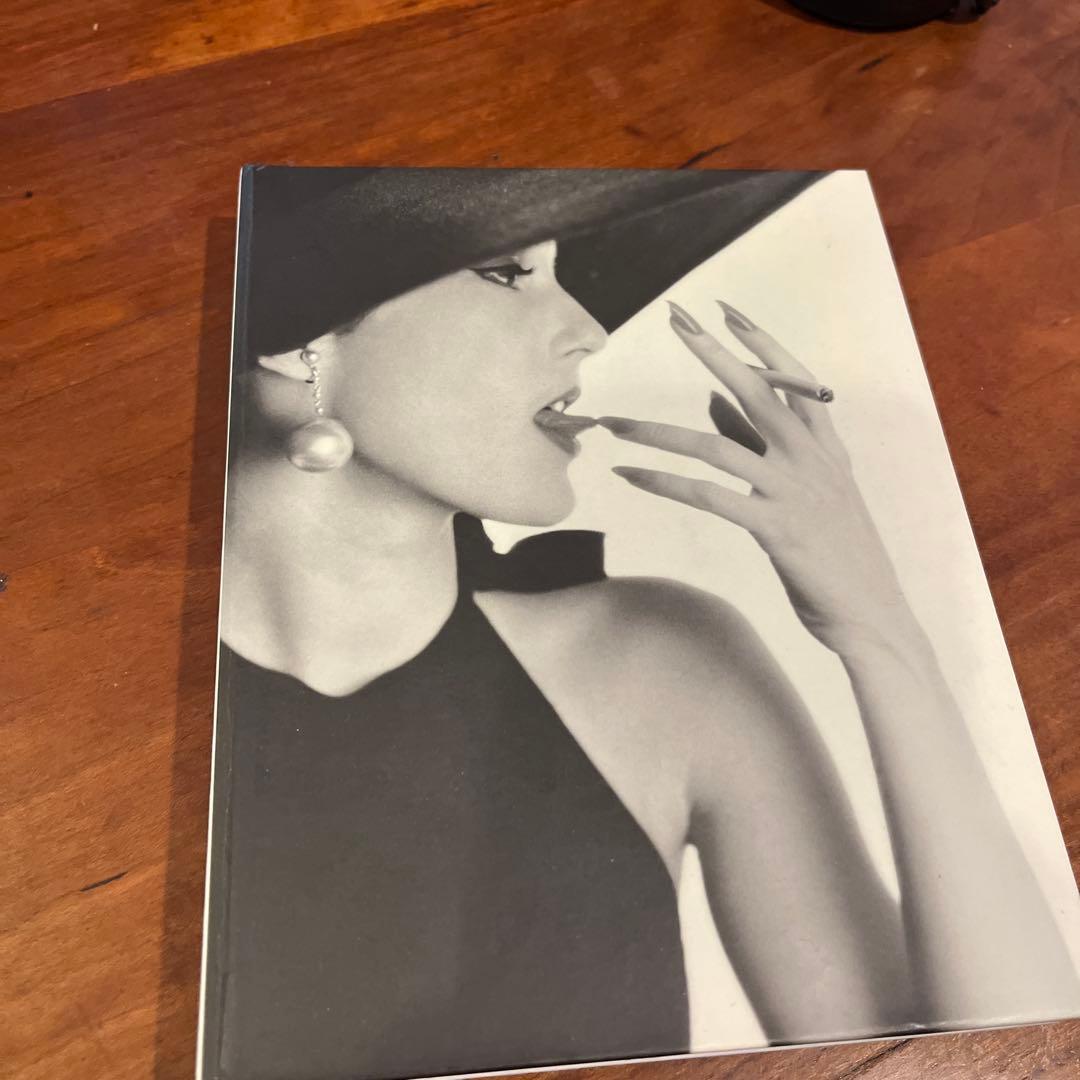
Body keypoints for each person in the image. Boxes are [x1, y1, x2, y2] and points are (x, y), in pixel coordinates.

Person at [204, 168, 1078, 1080]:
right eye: (507, 272)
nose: (589, 330)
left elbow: (1004, 1063)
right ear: (300, 338)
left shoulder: (660, 674)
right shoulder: (142, 727)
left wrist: (878, 627)